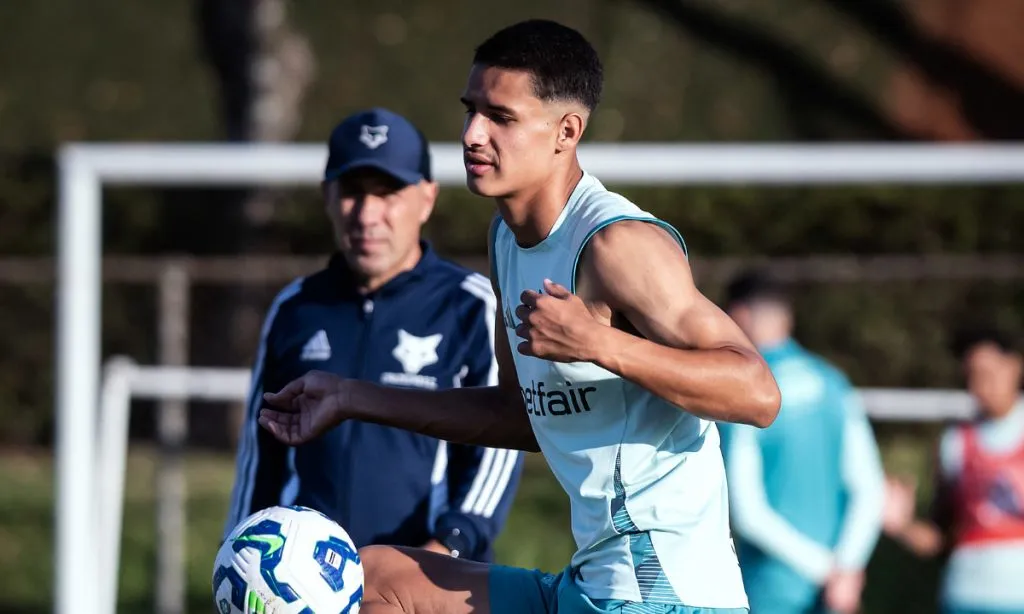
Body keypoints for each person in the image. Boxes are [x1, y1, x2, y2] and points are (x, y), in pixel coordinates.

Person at [258, 19, 782, 614]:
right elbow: (518, 416)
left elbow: (757, 392)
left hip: (662, 597)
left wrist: (600, 345)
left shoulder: (617, 245)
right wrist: (352, 398)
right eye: (470, 110)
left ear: (566, 131)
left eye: (501, 118)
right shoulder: (507, 240)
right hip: (588, 585)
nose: (473, 135)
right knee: (374, 579)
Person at [223, 107, 524, 563]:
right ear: (327, 196)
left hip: (429, 582)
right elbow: (260, 457)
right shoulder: (295, 308)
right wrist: (241, 555)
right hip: (301, 587)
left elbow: (497, 453)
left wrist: (442, 553)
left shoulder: (472, 306)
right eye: (352, 192)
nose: (367, 214)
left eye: (388, 193)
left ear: (426, 198)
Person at [719, 270, 886, 614]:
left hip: (770, 589)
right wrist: (845, 570)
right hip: (837, 593)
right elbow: (870, 489)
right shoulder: (834, 382)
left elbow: (748, 512)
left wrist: (825, 570)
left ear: (739, 316)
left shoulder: (742, 389)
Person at [883, 327, 1024, 614]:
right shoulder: (954, 443)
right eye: (972, 376)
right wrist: (902, 524)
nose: (981, 386)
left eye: (989, 373)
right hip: (964, 597)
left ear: (1014, 366)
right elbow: (938, 539)